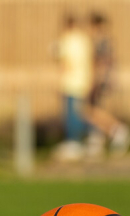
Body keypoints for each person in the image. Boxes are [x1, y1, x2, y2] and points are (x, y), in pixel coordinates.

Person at [82, 12, 130, 158]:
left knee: (91, 110)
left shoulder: (101, 42)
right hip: (103, 79)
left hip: (101, 80)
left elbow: (102, 63)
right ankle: (99, 139)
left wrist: (96, 81)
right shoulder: (104, 41)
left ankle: (118, 130)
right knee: (93, 110)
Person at [53, 13, 93, 161]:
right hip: (83, 81)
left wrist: (59, 81)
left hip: (70, 82)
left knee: (71, 114)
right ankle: (89, 139)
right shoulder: (84, 39)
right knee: (81, 112)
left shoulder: (66, 39)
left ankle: (74, 143)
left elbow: (64, 62)